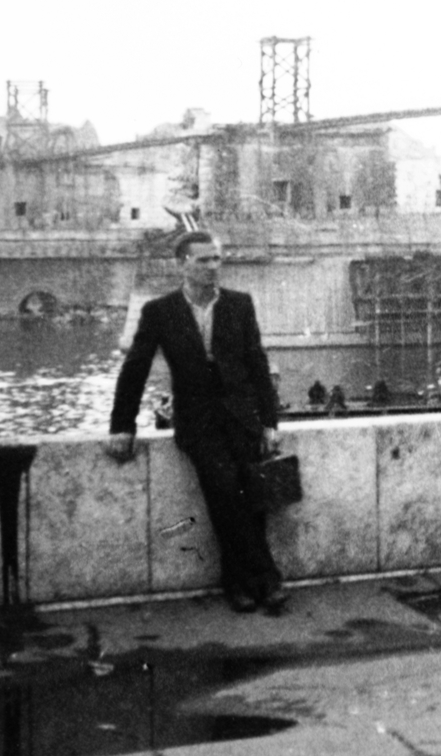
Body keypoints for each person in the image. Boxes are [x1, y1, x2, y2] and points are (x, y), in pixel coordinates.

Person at [105, 231, 287, 613]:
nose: (212, 267)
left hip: (242, 419)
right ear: (182, 263)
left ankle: (238, 584)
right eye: (203, 260)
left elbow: (256, 364)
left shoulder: (239, 304)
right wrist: (122, 425)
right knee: (224, 489)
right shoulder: (160, 311)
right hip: (197, 422)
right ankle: (265, 579)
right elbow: (135, 369)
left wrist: (270, 422)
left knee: (248, 497)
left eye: (216, 259)